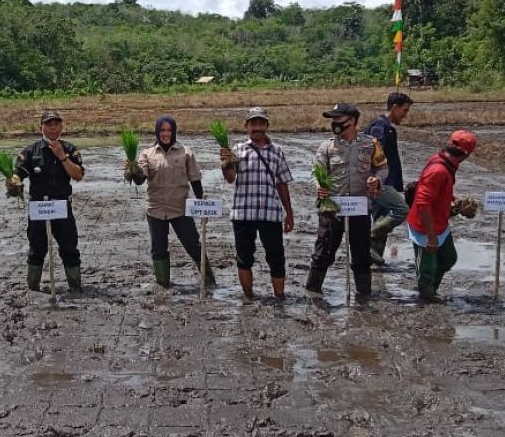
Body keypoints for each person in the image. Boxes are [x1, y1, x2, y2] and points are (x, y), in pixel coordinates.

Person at [307, 103, 387, 301]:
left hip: (359, 209)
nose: (335, 123)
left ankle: (364, 296)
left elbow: (383, 168)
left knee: (361, 255)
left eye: (338, 119)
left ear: (352, 121)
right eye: (333, 119)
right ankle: (313, 292)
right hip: (332, 209)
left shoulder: (370, 144)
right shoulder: (327, 146)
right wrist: (318, 187)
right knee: (323, 252)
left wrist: (377, 180)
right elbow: (315, 173)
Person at [220, 107, 294, 299]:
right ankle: (249, 297)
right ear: (247, 126)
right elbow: (230, 178)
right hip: (243, 214)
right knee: (244, 259)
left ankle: (279, 297)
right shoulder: (237, 150)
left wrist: (289, 213)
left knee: (277, 259)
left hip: (270, 214)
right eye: (253, 124)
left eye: (261, 123)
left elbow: (282, 184)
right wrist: (226, 163)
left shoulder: (277, 152)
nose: (257, 128)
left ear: (267, 125)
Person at [131, 115, 212, 288]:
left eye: (169, 130)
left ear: (174, 132)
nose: (166, 134)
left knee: (193, 245)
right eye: (162, 130)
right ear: (157, 132)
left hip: (180, 209)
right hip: (155, 210)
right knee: (158, 249)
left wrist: (202, 205)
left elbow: (195, 180)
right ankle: (163, 284)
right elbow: (140, 180)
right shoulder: (147, 154)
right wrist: (132, 171)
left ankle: (210, 282)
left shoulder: (186, 152)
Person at [13, 110, 85, 292]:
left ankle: (75, 287)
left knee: (69, 249)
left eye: (56, 124)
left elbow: (78, 175)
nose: (53, 128)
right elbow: (18, 174)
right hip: (39, 208)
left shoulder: (70, 149)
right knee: (36, 250)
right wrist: (13, 182)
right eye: (48, 124)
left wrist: (62, 156)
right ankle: (33, 288)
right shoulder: (29, 152)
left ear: (61, 127)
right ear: (41, 127)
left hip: (62, 207)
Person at [406, 130, 477, 302]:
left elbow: (435, 193)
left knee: (448, 258)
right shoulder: (439, 169)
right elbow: (423, 203)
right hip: (425, 226)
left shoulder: (444, 163)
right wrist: (431, 236)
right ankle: (426, 295)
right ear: (466, 155)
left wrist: (454, 201)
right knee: (427, 267)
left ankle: (432, 289)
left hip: (439, 223)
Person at [365, 92, 413, 265]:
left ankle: (372, 259)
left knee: (381, 217)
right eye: (404, 110)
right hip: (379, 182)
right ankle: (366, 242)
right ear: (394, 107)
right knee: (401, 210)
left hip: (381, 181)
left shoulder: (387, 126)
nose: (405, 115)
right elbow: (373, 153)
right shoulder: (380, 126)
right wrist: (375, 180)